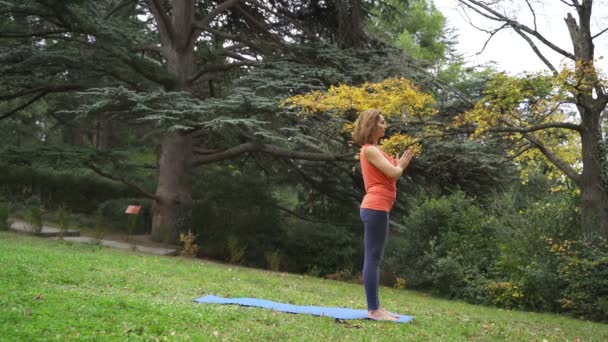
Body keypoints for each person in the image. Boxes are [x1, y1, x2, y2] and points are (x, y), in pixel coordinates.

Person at [352, 109, 414, 321]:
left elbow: (390, 175)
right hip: (375, 207)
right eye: (382, 122)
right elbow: (394, 173)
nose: (385, 126)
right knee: (373, 258)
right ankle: (374, 310)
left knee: (375, 257)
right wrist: (401, 165)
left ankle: (377, 308)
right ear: (372, 125)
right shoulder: (369, 150)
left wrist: (396, 166)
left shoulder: (375, 150)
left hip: (378, 207)